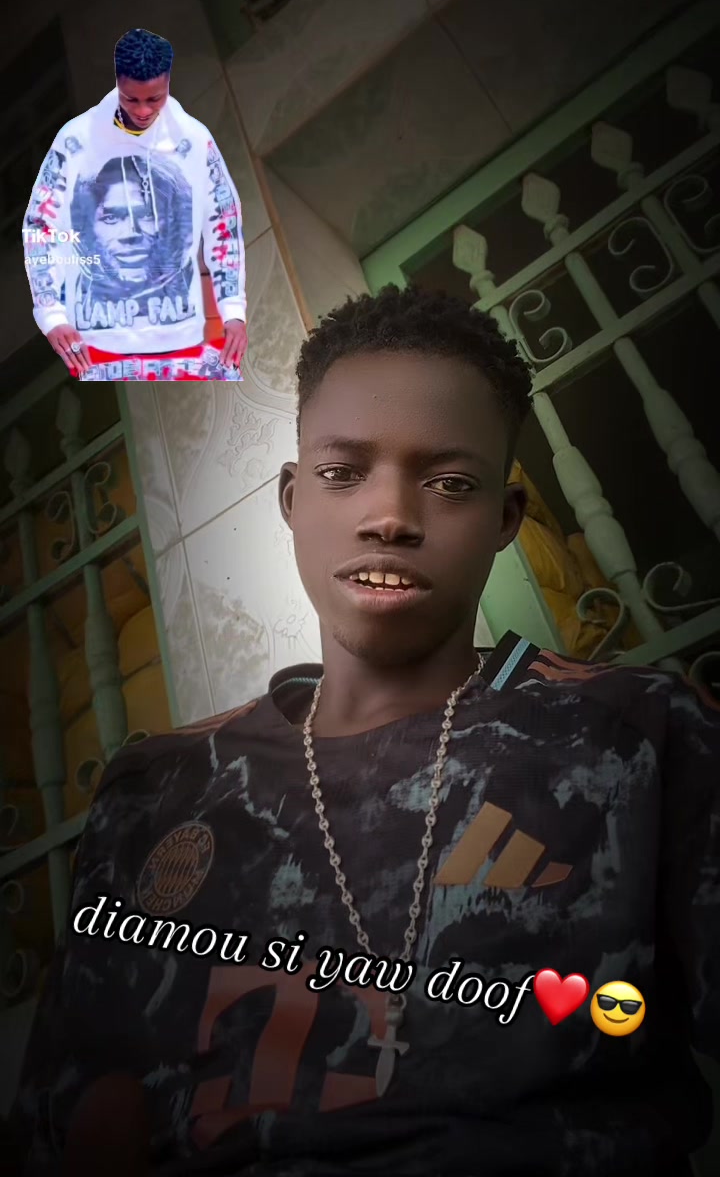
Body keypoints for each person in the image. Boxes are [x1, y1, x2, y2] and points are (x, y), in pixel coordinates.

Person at [10, 285, 720, 1175]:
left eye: (449, 483)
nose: (390, 517)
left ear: (505, 518)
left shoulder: (634, 735)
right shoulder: (157, 791)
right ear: (292, 498)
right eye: (343, 473)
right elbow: (60, 1127)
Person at [22, 28, 247, 381]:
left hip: (183, 337)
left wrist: (232, 308)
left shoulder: (193, 139)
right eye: (131, 99)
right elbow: (41, 224)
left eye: (154, 99)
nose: (143, 110)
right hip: (95, 345)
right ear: (118, 82)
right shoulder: (76, 139)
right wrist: (51, 313)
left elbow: (224, 221)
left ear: (168, 82)